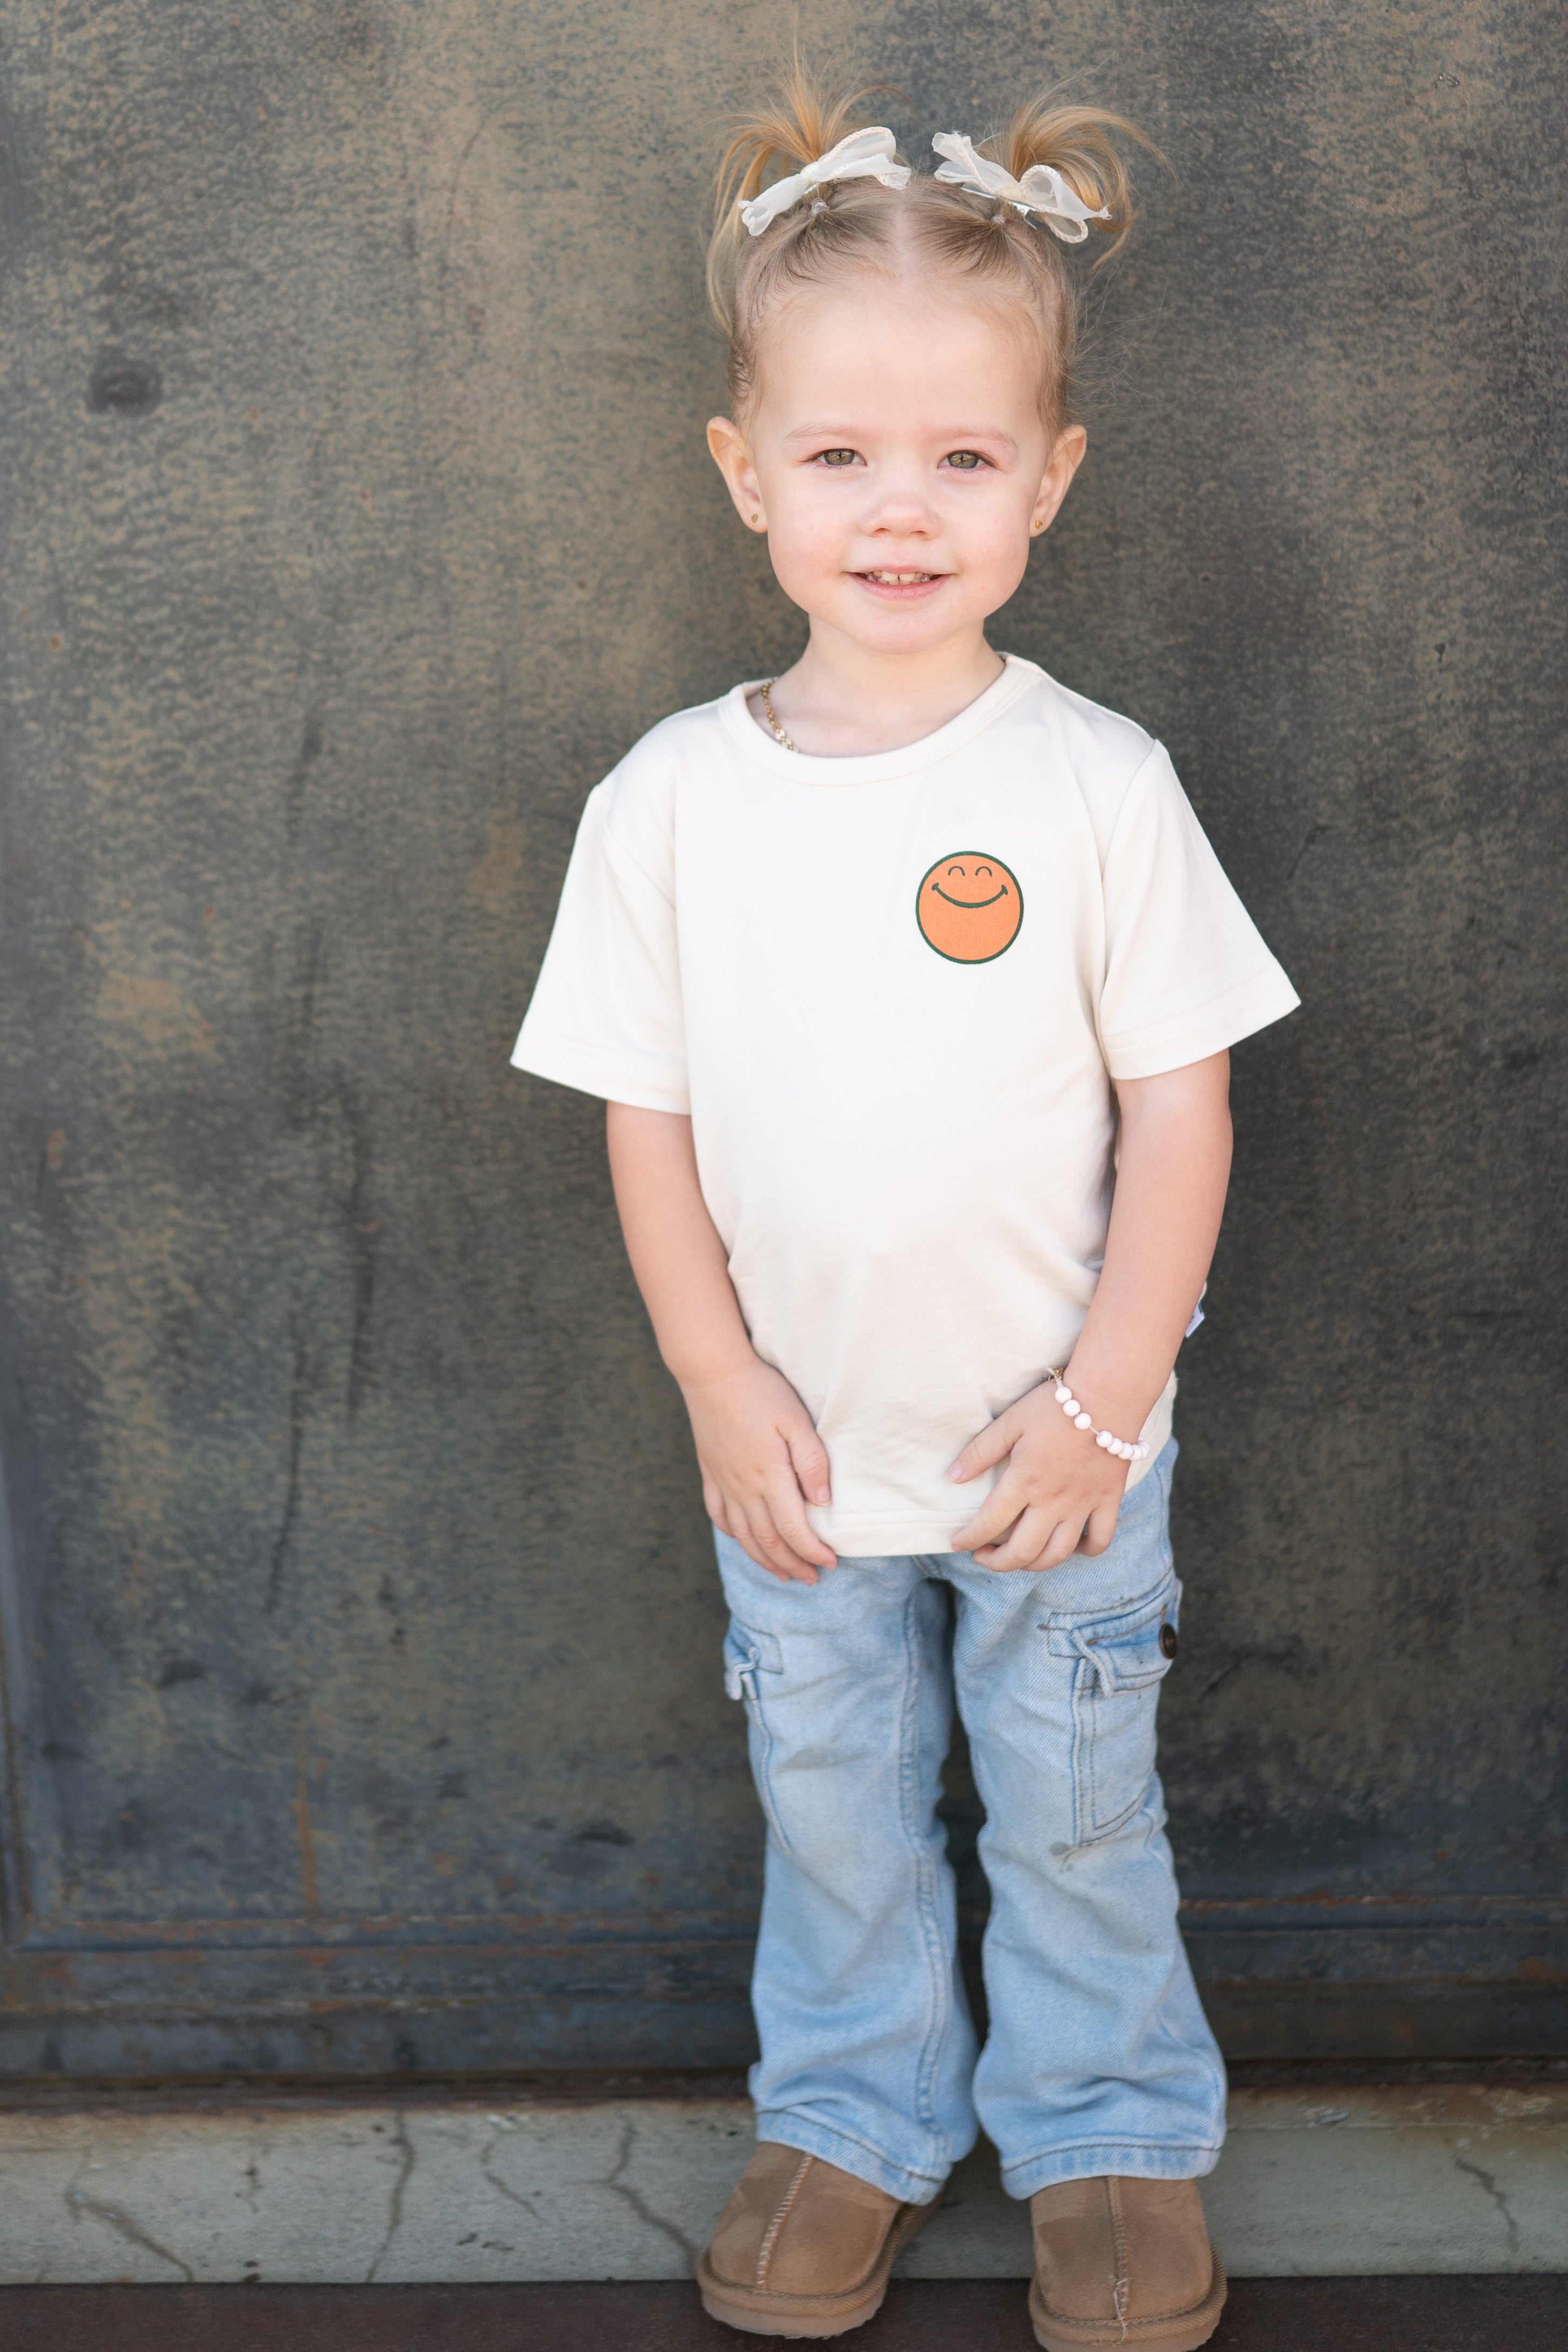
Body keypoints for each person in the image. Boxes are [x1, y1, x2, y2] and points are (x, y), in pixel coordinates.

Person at [512, 69, 1298, 2351]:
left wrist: (1106, 1398)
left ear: (1045, 483)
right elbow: (641, 1118)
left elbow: (1183, 1114)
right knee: (838, 1805)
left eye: (960, 457)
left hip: (1056, 1454)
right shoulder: (667, 804)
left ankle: (1112, 2137)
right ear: (745, 473)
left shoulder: (1089, 782)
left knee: (1069, 1813)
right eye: (841, 454)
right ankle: (846, 2119)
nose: (897, 507)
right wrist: (710, 1380)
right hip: (796, 1456)